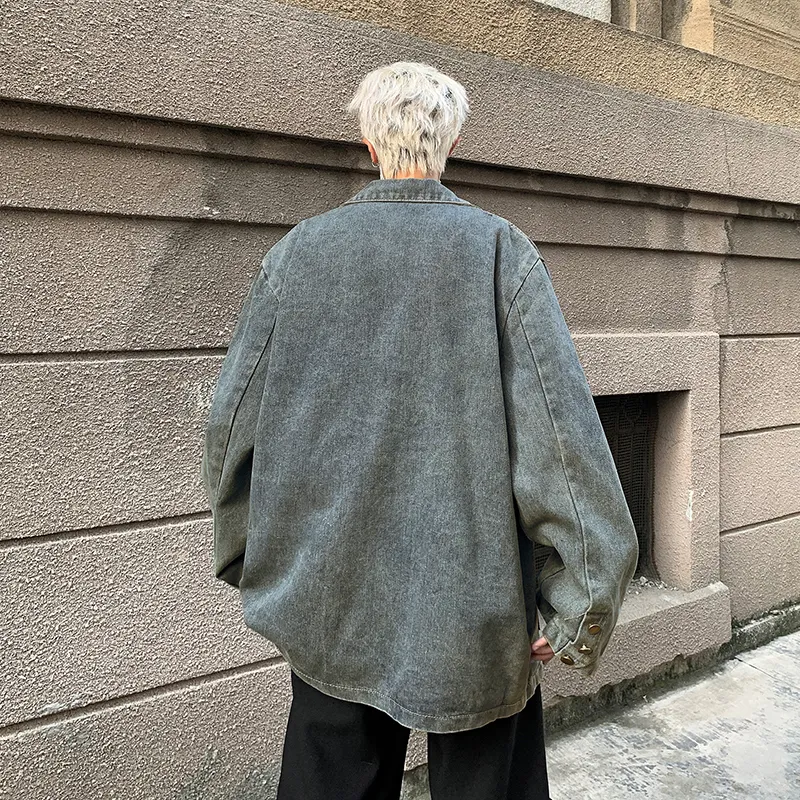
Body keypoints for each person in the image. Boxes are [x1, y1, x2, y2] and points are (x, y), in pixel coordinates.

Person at [201, 61, 639, 800]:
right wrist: (583, 601)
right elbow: (562, 443)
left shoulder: (297, 256)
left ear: (369, 144)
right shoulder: (500, 253)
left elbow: (232, 425)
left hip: (330, 601)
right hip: (474, 608)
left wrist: (255, 557)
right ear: (454, 142)